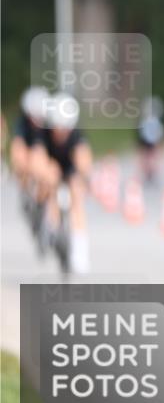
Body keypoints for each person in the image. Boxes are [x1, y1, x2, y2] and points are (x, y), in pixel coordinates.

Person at [40, 92, 93, 273]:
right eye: (58, 127)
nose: (61, 132)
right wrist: (45, 172)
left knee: (77, 195)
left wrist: (82, 177)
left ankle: (80, 248)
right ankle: (49, 224)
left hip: (70, 167)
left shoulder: (76, 134)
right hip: (52, 165)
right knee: (49, 181)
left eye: (65, 129)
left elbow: (84, 158)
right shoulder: (44, 133)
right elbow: (38, 157)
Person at [10, 86, 48, 194]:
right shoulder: (22, 123)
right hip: (28, 153)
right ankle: (25, 186)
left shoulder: (50, 123)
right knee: (20, 155)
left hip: (43, 156)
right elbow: (18, 143)